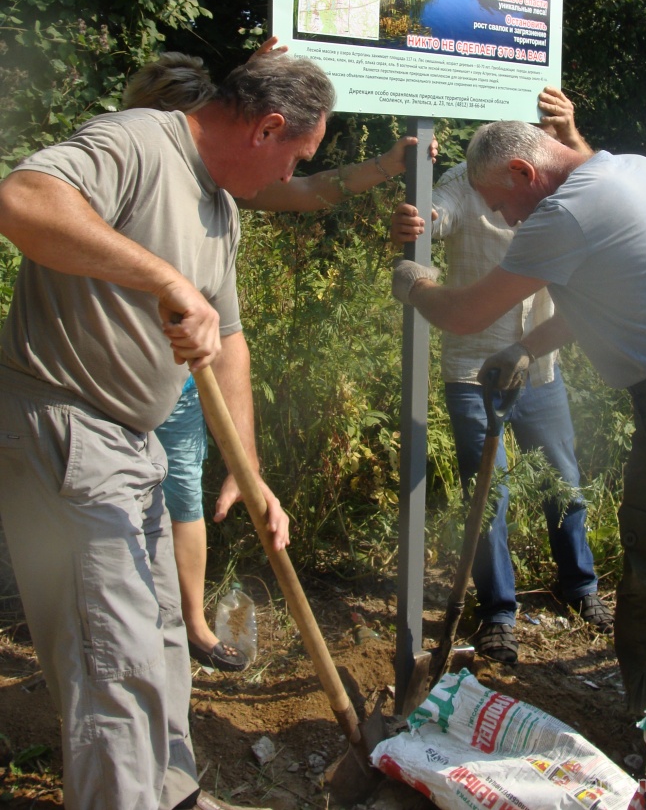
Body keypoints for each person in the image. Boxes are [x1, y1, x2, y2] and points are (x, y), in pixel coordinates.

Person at [0, 51, 335, 810]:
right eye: (296, 159)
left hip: (133, 444)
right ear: (268, 128)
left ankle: (170, 793)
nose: (291, 178)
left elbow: (233, 340)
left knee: (160, 639)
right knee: (112, 659)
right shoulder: (140, 141)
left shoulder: (220, 208)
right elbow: (21, 199)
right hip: (67, 427)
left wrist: (246, 470)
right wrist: (163, 277)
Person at [391, 110, 646, 769]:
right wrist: (523, 346)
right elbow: (598, 296)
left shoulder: (560, 214)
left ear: (523, 172)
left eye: (503, 203)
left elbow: (466, 310)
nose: (506, 220)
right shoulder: (631, 171)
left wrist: (416, 283)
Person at [126, 40, 436, 671]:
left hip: (185, 377)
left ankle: (187, 627)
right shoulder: (137, 167)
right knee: (128, 510)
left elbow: (308, 187)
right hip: (112, 382)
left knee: (183, 493)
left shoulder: (230, 188)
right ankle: (131, 633)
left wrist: (383, 164)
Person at [389, 89, 612, 666]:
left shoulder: (547, 182)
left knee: (563, 479)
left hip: (538, 363)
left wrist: (572, 135)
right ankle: (498, 614)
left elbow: (596, 188)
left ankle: (580, 586)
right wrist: (419, 221)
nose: (508, 209)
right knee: (488, 494)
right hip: (473, 368)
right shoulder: (465, 182)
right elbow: (439, 215)